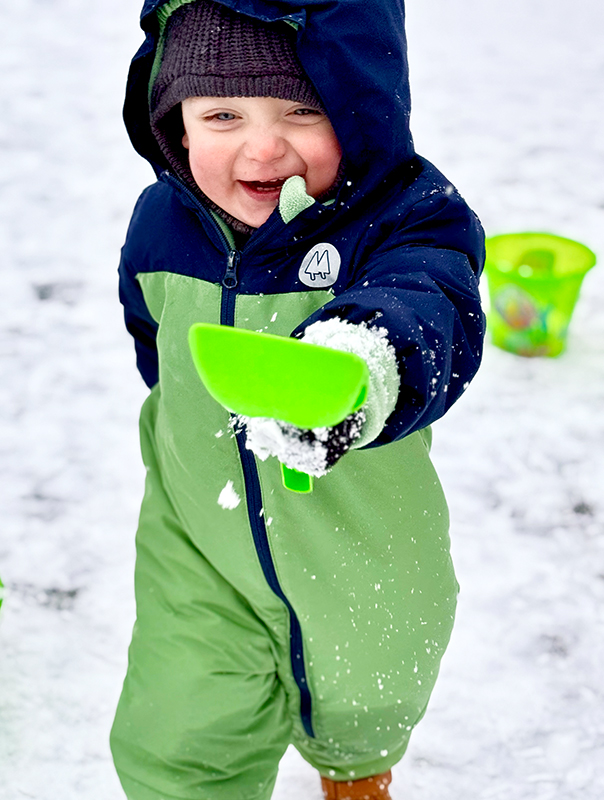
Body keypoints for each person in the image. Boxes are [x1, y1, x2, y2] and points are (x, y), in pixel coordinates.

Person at [110, 1, 485, 798]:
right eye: (222, 115)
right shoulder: (161, 225)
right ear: (175, 123)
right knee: (178, 734)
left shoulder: (403, 220)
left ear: (362, 108)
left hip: (357, 542)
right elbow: (152, 336)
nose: (263, 147)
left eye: (302, 111)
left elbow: (430, 306)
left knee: (368, 691)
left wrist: (359, 361)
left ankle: (355, 773)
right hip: (200, 544)